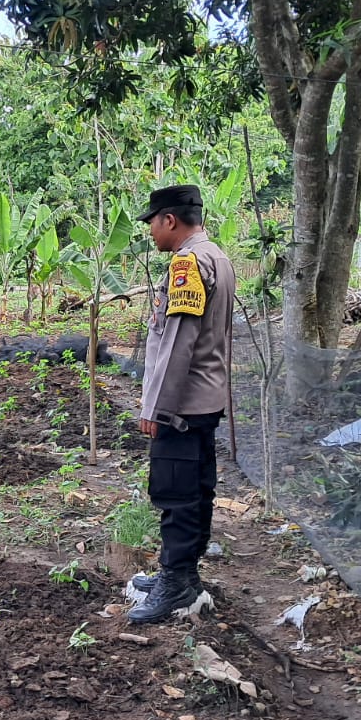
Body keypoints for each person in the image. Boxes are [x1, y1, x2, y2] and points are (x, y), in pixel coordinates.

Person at [125, 184, 234, 624]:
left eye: (152, 222)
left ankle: (175, 583)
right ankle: (183, 574)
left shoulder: (188, 263)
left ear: (169, 220)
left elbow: (177, 343)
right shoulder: (218, 257)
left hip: (183, 405)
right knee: (196, 489)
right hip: (204, 398)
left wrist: (156, 407)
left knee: (176, 493)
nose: (151, 231)